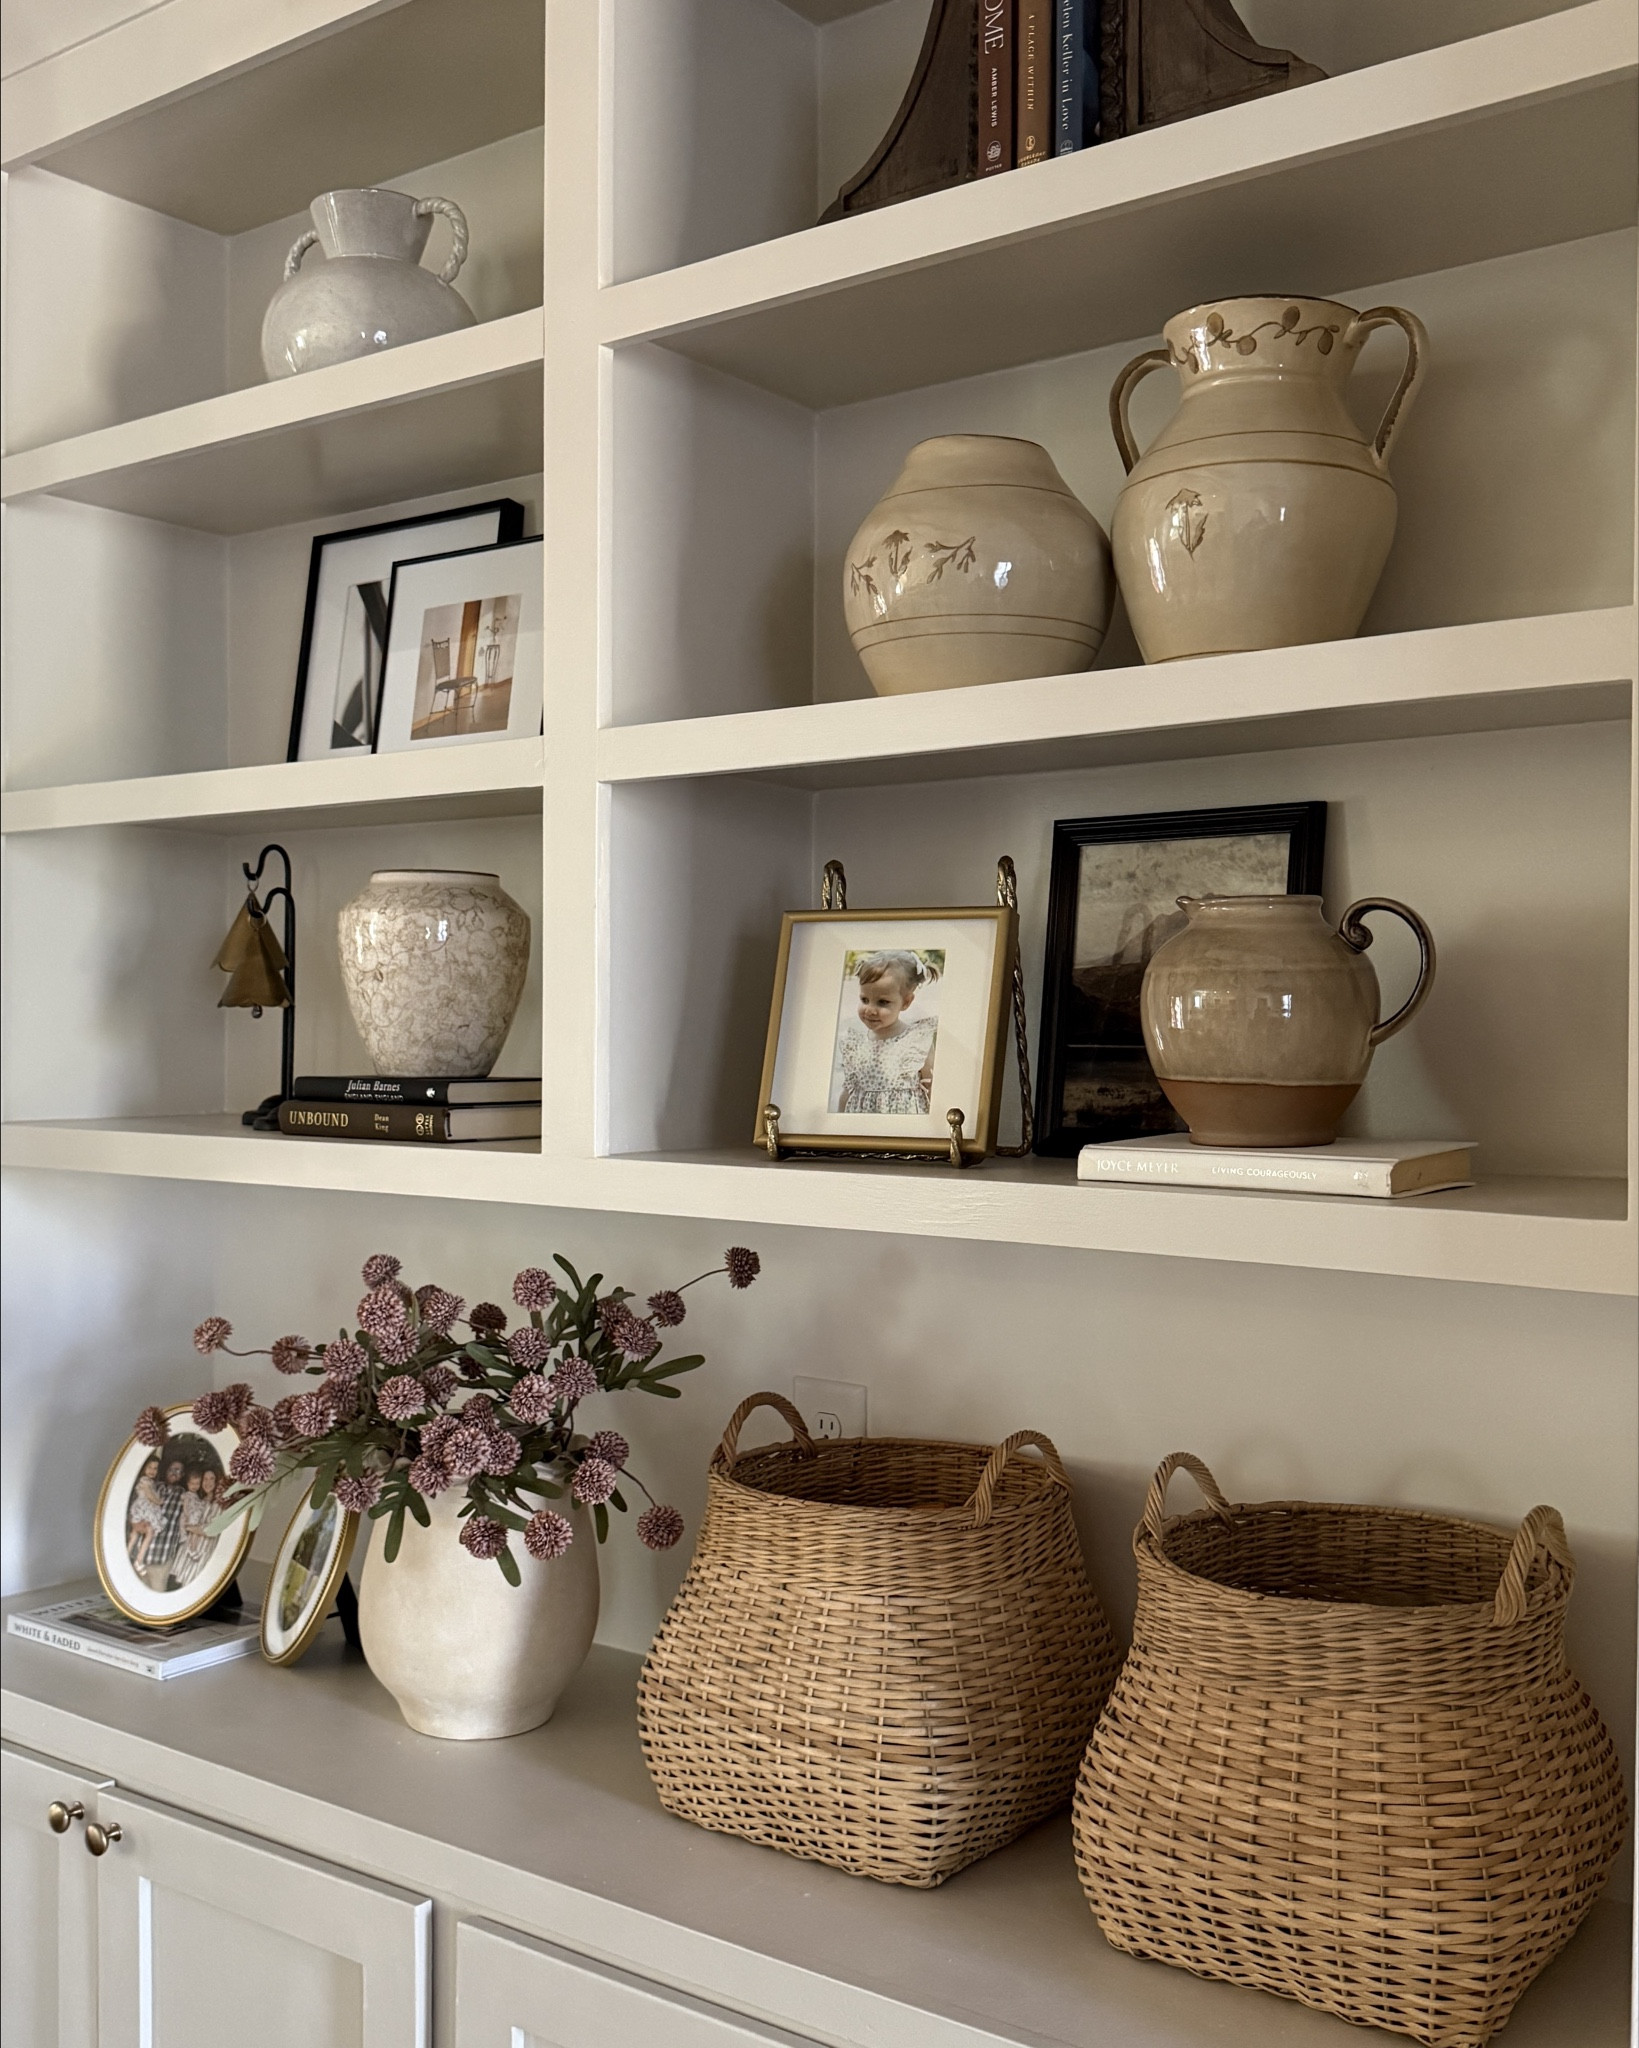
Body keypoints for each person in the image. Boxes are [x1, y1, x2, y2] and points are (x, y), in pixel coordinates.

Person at [834, 950, 940, 1114]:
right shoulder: (856, 1046)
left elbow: (933, 1089)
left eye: (882, 1002)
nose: (870, 1010)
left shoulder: (915, 1042)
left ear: (906, 1002)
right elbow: (848, 1092)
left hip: (902, 1129)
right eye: (864, 1000)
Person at [143, 1458, 189, 1591]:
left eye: (178, 1471)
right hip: (144, 1551)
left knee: (157, 1592)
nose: (174, 1473)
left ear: (182, 1475)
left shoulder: (184, 1495)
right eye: (172, 1469)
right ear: (166, 1471)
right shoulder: (154, 1487)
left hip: (164, 1553)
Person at [173, 1467, 221, 1587]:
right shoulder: (201, 1500)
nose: (208, 1482)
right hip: (190, 1549)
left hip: (203, 1549)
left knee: (194, 1584)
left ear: (217, 1482)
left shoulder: (219, 1503)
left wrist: (189, 1528)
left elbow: (213, 1529)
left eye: (212, 1479)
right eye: (205, 1479)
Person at [127, 1455, 164, 1569]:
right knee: (149, 1532)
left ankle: (129, 1554)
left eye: (155, 1468)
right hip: (142, 1510)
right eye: (150, 1467)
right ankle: (139, 1559)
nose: (152, 1471)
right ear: (144, 1468)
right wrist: (159, 1501)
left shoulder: (150, 1482)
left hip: (144, 1510)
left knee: (135, 1534)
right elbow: (149, 1495)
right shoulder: (144, 1480)